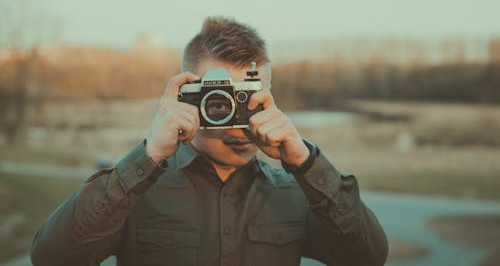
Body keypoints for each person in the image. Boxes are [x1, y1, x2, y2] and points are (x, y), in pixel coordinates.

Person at [30, 17, 388, 266]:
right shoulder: (136, 189)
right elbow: (52, 258)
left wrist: (306, 163)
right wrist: (149, 155)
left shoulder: (294, 192)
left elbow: (367, 257)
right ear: (186, 96)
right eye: (219, 102)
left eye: (249, 101)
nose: (238, 124)